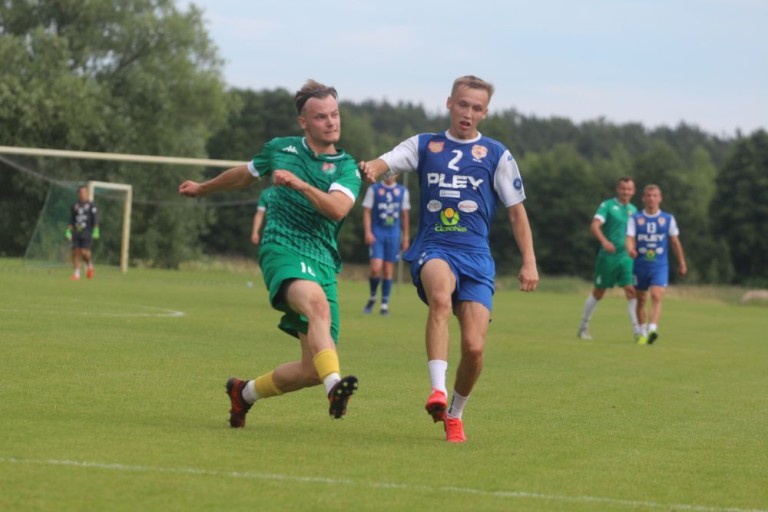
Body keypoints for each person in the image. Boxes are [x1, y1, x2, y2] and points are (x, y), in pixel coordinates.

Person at [359, 75, 538, 443]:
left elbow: (518, 213)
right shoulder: (426, 145)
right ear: (449, 103)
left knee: (474, 348)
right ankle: (437, 391)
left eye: (476, 108)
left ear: (485, 112)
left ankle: (454, 413)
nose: (467, 113)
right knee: (440, 298)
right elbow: (387, 161)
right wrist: (374, 167)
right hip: (435, 247)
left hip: (476, 257)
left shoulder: (496, 155)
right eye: (462, 105)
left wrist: (529, 261)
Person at [178, 79, 361, 426]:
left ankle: (243, 393)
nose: (331, 122)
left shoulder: (347, 167)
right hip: (282, 247)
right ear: (303, 123)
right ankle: (335, 387)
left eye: (335, 114)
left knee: (311, 369)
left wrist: (300, 184)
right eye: (321, 117)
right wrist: (203, 188)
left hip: (321, 258)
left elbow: (336, 209)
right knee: (317, 308)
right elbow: (244, 175)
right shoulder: (280, 149)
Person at [577, 177, 641, 342]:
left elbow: (632, 234)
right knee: (599, 292)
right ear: (618, 189)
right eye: (623, 189)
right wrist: (604, 241)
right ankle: (583, 327)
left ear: (633, 191)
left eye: (629, 189)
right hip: (608, 258)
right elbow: (595, 225)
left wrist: (633, 248)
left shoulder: (634, 210)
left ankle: (637, 331)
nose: (626, 192)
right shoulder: (607, 206)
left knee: (631, 291)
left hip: (626, 258)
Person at [626, 184, 687, 345]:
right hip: (640, 265)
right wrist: (630, 249)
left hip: (660, 265)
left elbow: (675, 241)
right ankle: (641, 332)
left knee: (656, 295)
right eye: (649, 196)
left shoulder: (668, 219)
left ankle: (653, 329)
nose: (652, 199)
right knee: (641, 300)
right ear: (643, 198)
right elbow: (629, 238)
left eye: (655, 196)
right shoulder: (635, 218)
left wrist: (682, 262)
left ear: (660, 198)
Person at [361, 174, 410, 315]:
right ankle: (372, 296)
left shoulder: (402, 191)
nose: (390, 175)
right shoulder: (374, 189)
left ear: (397, 174)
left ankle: (384, 304)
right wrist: (368, 232)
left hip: (393, 234)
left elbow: (405, 215)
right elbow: (366, 211)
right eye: (387, 172)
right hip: (377, 233)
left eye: (393, 172)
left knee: (388, 270)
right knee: (376, 268)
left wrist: (405, 237)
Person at [66, 185, 99, 280]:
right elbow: (71, 219)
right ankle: (76, 273)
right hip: (76, 231)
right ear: (78, 194)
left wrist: (96, 230)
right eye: (80, 192)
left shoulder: (92, 206)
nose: (82, 194)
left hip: (87, 231)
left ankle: (89, 265)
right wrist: (68, 230)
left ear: (87, 193)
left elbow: (95, 219)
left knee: (84, 252)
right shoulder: (75, 206)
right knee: (75, 251)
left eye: (84, 192)